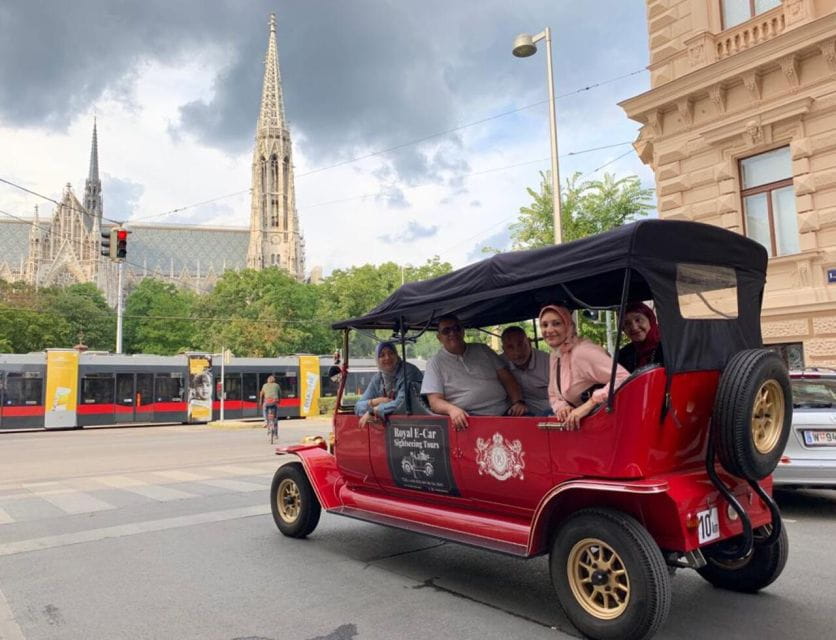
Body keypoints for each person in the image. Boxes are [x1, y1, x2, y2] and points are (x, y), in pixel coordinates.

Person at [421, 315, 526, 429]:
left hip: (506, 412)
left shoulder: (482, 349)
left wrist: (518, 401)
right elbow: (435, 401)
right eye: (446, 331)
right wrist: (452, 410)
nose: (452, 333)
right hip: (469, 420)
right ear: (439, 337)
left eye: (456, 328)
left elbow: (507, 378)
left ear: (463, 331)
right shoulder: (435, 363)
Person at [539, 304, 630, 429]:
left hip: (606, 424)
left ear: (568, 326)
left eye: (556, 323)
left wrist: (590, 404)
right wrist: (563, 407)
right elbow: (553, 394)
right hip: (580, 427)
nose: (549, 330)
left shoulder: (582, 352)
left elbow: (625, 378)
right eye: (544, 325)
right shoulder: (555, 355)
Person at [355, 342, 424, 427]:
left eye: (391, 353)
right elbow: (358, 407)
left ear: (397, 356)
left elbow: (401, 404)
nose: (387, 358)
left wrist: (373, 411)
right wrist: (377, 401)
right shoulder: (378, 379)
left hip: (417, 425)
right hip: (395, 428)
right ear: (377, 359)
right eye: (382, 355)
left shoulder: (408, 371)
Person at [500, 326, 551, 415]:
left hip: (550, 412)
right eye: (510, 347)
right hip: (520, 412)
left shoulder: (549, 362)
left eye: (520, 344)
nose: (517, 352)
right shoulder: (499, 364)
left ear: (529, 342)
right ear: (503, 349)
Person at [618, 302, 664, 372]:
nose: (634, 327)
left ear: (650, 320)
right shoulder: (623, 354)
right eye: (627, 323)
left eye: (638, 320)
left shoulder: (668, 348)